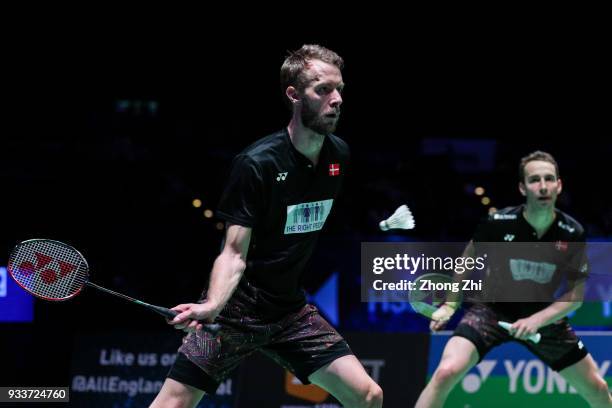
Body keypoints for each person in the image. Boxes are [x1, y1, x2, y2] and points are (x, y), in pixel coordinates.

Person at [150, 44, 383, 408]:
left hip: (289, 310)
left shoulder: (338, 155)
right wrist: (212, 304)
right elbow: (233, 252)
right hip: (235, 311)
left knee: (368, 395)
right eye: (323, 90)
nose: (336, 99)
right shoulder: (256, 164)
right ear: (293, 94)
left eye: (340, 89)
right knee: (173, 404)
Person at [415, 151, 612, 408]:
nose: (543, 186)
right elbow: (468, 258)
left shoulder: (572, 232)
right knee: (444, 373)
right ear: (522, 187)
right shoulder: (499, 223)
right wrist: (450, 304)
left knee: (598, 389)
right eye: (534, 180)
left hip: (543, 316)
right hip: (492, 311)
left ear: (559, 185)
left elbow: (575, 297)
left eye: (549, 179)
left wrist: (536, 321)